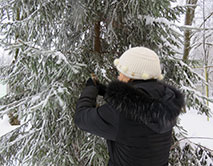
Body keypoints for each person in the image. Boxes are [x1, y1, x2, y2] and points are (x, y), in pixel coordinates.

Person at [74, 47, 185, 166]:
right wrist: (105, 91)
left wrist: (90, 89)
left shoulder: (122, 112)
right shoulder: (166, 100)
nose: (119, 76)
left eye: (121, 72)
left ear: (131, 74)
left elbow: (81, 118)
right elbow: (139, 102)